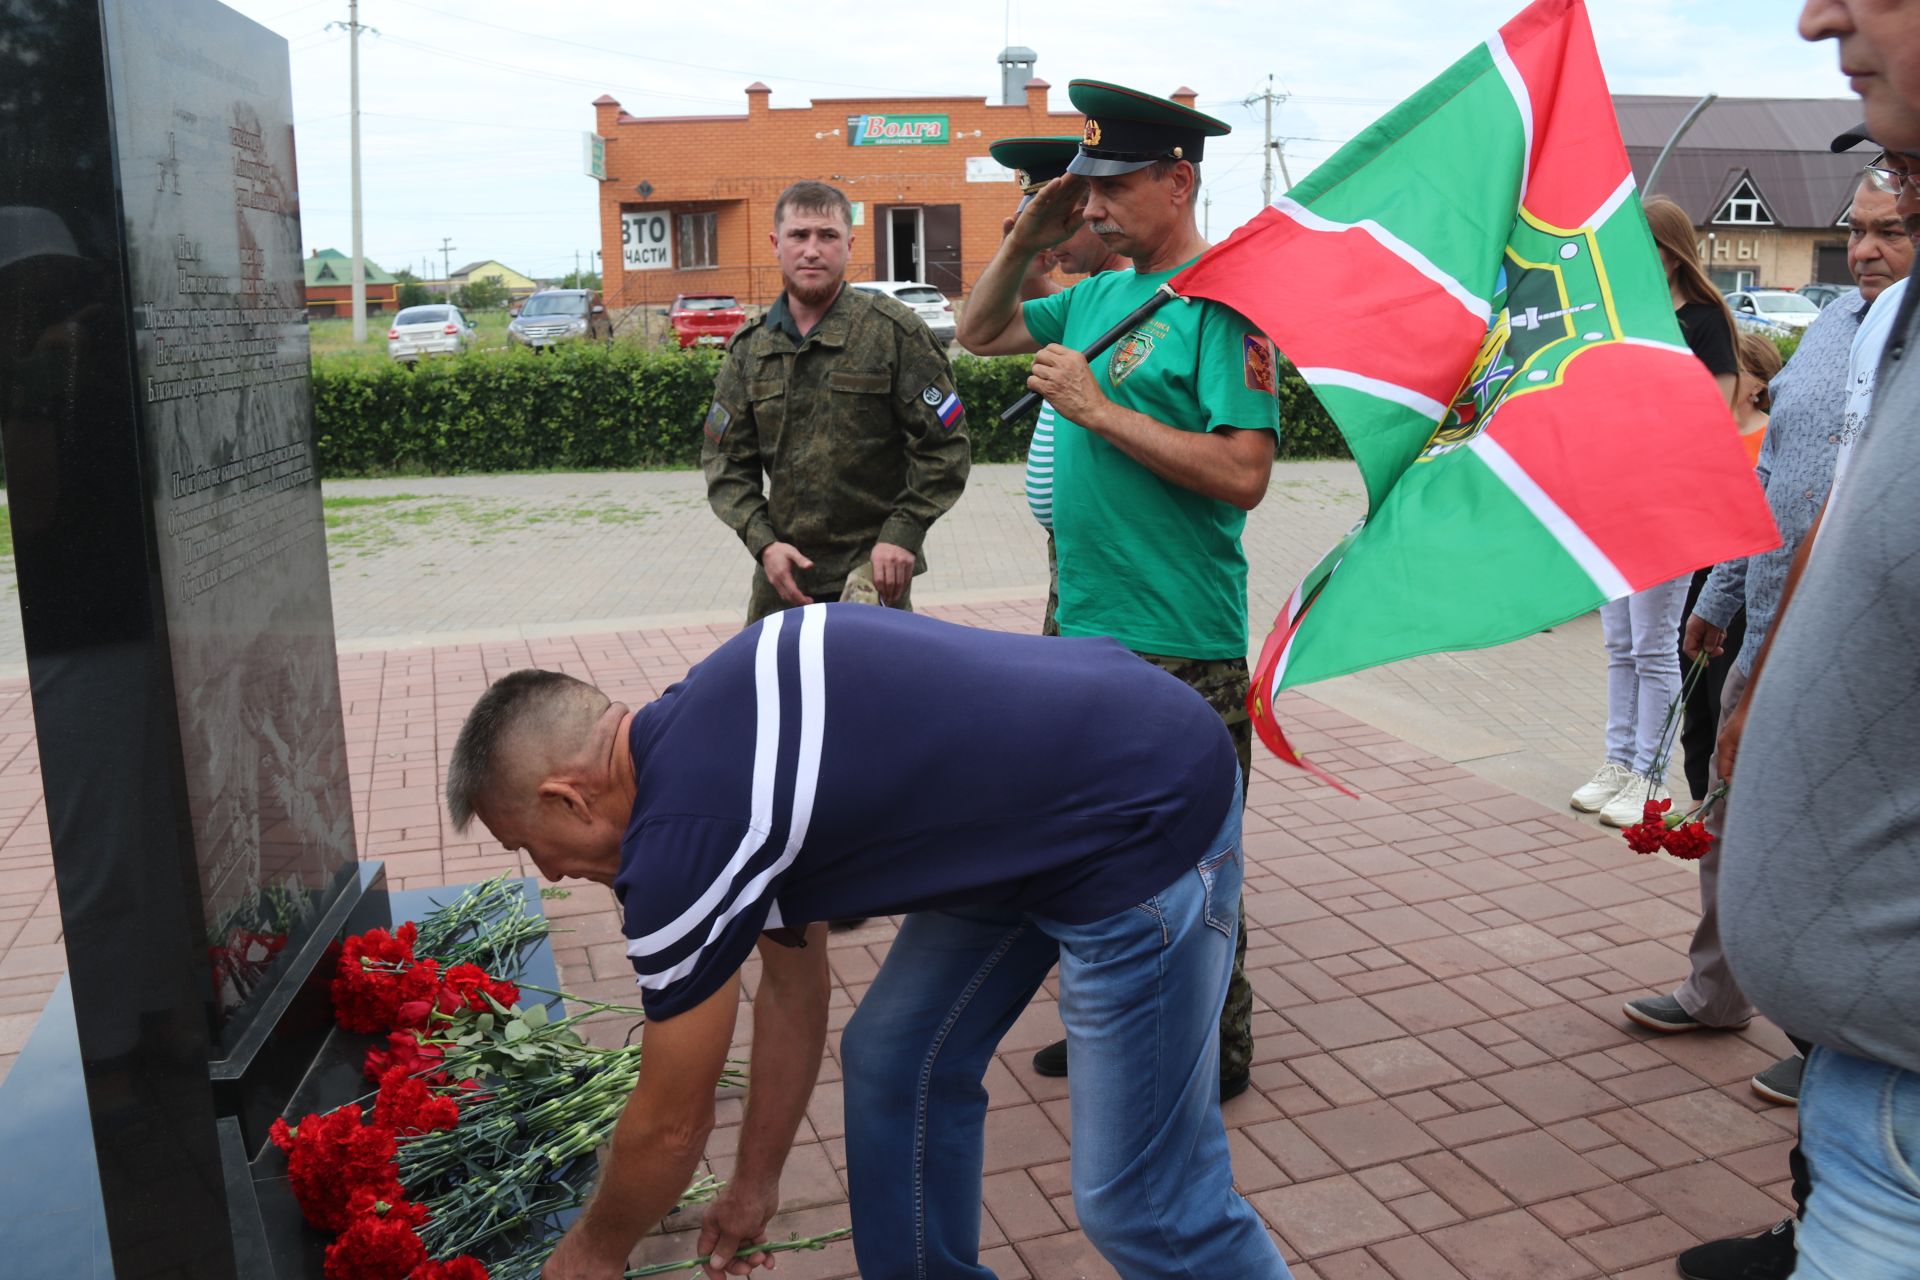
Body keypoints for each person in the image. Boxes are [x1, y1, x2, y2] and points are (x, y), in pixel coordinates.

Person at [447, 605, 1294, 1280]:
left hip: (1140, 811)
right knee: (893, 1056)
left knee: (1141, 1203)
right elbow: (792, 988)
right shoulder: (702, 728)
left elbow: (671, 1125)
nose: (550, 878)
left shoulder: (686, 840)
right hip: (1046, 805)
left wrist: (589, 1255)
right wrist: (753, 1186)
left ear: (567, 799)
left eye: (528, 850)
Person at [960, 80, 1281, 1099]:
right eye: (1083, 188)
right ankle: (1114, 1022)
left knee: (1196, 858)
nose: (1091, 207)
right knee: (1093, 845)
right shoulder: (1102, 293)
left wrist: (1098, 412)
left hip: (1183, 638)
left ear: (1178, 179)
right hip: (1084, 626)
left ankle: (1215, 1053)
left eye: (1111, 186)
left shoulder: (1230, 307)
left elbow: (1245, 473)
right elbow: (978, 330)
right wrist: (1025, 236)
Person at [1674, 116, 1920, 1280]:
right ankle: (1814, 1197)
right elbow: (1781, 484)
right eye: (1862, 227)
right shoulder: (1838, 331)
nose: (1867, 249)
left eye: (1895, 225)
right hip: (1776, 633)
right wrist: (1734, 616)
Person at [701, 180, 970, 623]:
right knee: (773, 687)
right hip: (783, 573)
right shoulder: (750, 347)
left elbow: (945, 446)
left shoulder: (893, 333)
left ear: (849, 244)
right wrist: (762, 542)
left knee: (872, 689)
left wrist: (903, 535)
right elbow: (724, 461)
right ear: (776, 244)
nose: (812, 250)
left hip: (873, 570)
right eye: (798, 235)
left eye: (827, 236)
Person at [1570, 195, 1741, 830]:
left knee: (1652, 645)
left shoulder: (1704, 321)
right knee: (1620, 641)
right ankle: (1618, 762)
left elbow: (1714, 420)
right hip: (1613, 501)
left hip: (1667, 508)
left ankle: (1650, 775)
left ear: (1669, 253)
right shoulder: (1629, 316)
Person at [988, 134, 1128, 632]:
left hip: (1121, 570)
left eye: (1053, 222)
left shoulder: (1136, 293)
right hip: (1077, 555)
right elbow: (1041, 313)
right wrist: (1024, 256)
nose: (1048, 239)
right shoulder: (1092, 293)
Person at [1672, 332, 1782, 807]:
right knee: (1693, 697)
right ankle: (1698, 795)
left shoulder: (1771, 434)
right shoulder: (1704, 430)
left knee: (1724, 697)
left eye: (1737, 369)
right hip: (1696, 576)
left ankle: (1721, 801)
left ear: (1758, 384)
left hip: (1742, 584)